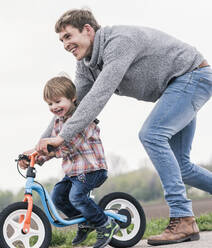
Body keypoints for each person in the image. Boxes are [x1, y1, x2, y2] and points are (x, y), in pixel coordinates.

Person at [30, 8, 212, 246]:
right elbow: (74, 108)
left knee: (152, 135)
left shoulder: (118, 43)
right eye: (61, 40)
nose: (65, 44)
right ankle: (184, 218)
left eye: (68, 36)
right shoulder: (86, 65)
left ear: (87, 30)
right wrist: (41, 148)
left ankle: (183, 218)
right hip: (176, 86)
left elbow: (98, 97)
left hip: (191, 76)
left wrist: (61, 139)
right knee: (182, 167)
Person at [19, 75, 119, 248]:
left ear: (73, 98)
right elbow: (49, 146)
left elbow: (68, 147)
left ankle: (105, 224)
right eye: (50, 104)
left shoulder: (83, 120)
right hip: (73, 172)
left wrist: (48, 153)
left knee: (76, 196)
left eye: (58, 101)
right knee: (57, 197)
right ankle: (87, 221)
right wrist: (34, 157)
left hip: (92, 170)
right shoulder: (58, 123)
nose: (54, 107)